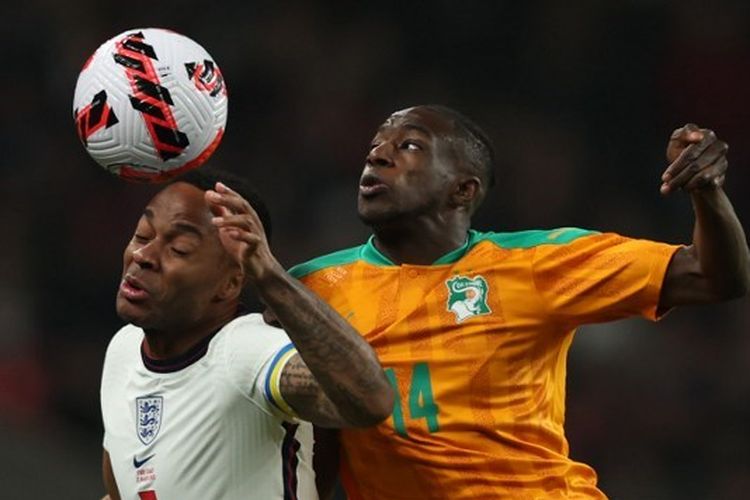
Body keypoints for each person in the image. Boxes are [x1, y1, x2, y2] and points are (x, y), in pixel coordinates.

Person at [289, 105, 750, 499]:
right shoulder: (311, 288)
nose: (378, 154)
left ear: (462, 190)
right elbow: (316, 442)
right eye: (376, 145)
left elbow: (715, 277)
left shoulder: (535, 263)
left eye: (409, 145)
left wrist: (706, 191)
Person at [99, 168, 394, 500]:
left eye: (179, 249)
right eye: (142, 234)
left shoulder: (248, 351)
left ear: (230, 283)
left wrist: (268, 273)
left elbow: (371, 400)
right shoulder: (123, 350)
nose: (143, 256)